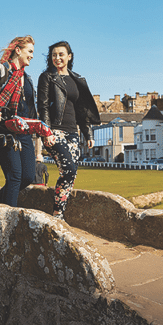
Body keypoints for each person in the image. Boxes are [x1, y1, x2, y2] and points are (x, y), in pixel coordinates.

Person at [0, 35, 49, 207]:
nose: (32, 55)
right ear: (18, 50)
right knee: (15, 176)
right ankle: (9, 220)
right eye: (30, 51)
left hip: (23, 133)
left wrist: (41, 140)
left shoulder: (29, 79)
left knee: (27, 176)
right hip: (3, 131)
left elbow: (33, 115)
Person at [38, 41, 101, 220]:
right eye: (54, 55)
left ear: (69, 56)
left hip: (73, 133)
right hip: (55, 131)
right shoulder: (47, 77)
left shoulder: (77, 79)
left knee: (71, 173)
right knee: (69, 169)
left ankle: (60, 212)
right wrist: (46, 132)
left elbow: (82, 110)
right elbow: (42, 106)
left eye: (61, 54)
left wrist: (87, 133)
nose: (57, 58)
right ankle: (57, 214)